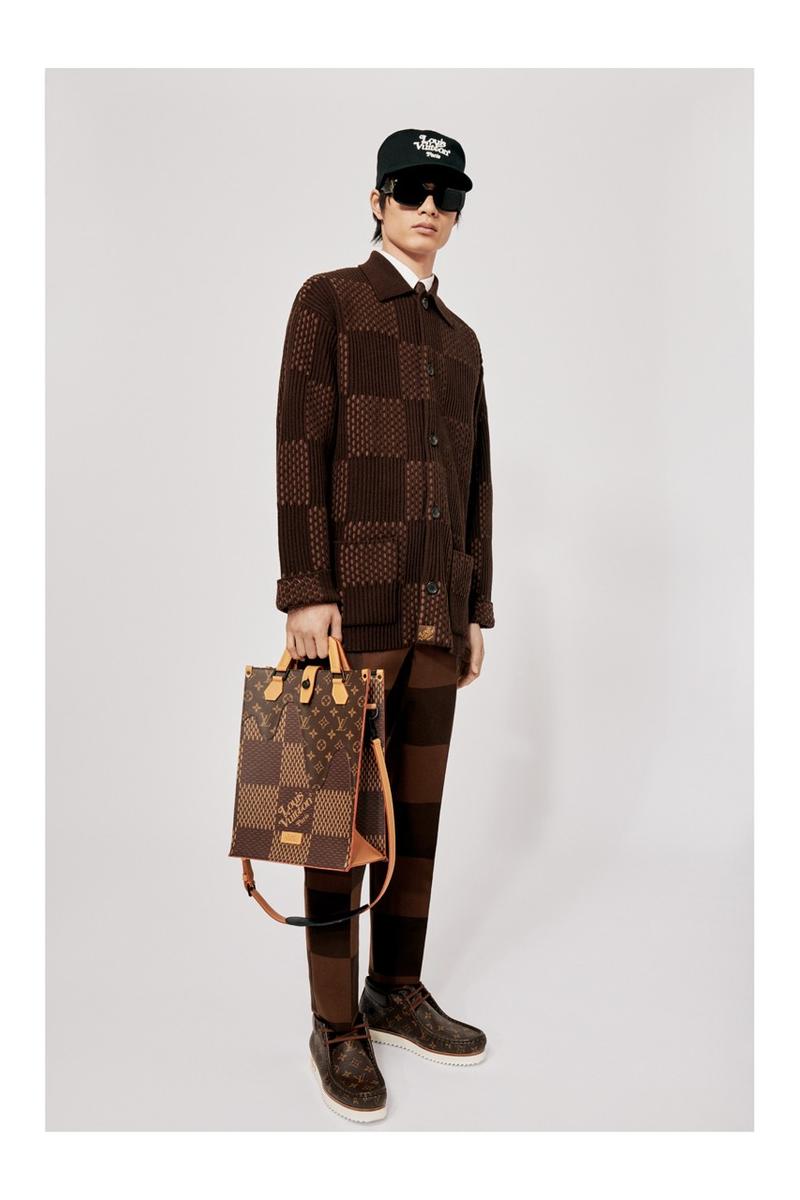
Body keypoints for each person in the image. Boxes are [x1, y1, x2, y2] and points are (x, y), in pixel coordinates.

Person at [274, 128, 495, 1122]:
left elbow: (474, 478)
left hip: (436, 611)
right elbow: (299, 445)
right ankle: (335, 1023)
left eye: (446, 195)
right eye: (411, 190)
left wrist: (475, 603)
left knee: (418, 813)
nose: (429, 208)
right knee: (335, 818)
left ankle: (395, 991)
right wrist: (303, 588)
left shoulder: (461, 341)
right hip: (348, 607)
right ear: (376, 200)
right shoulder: (328, 301)